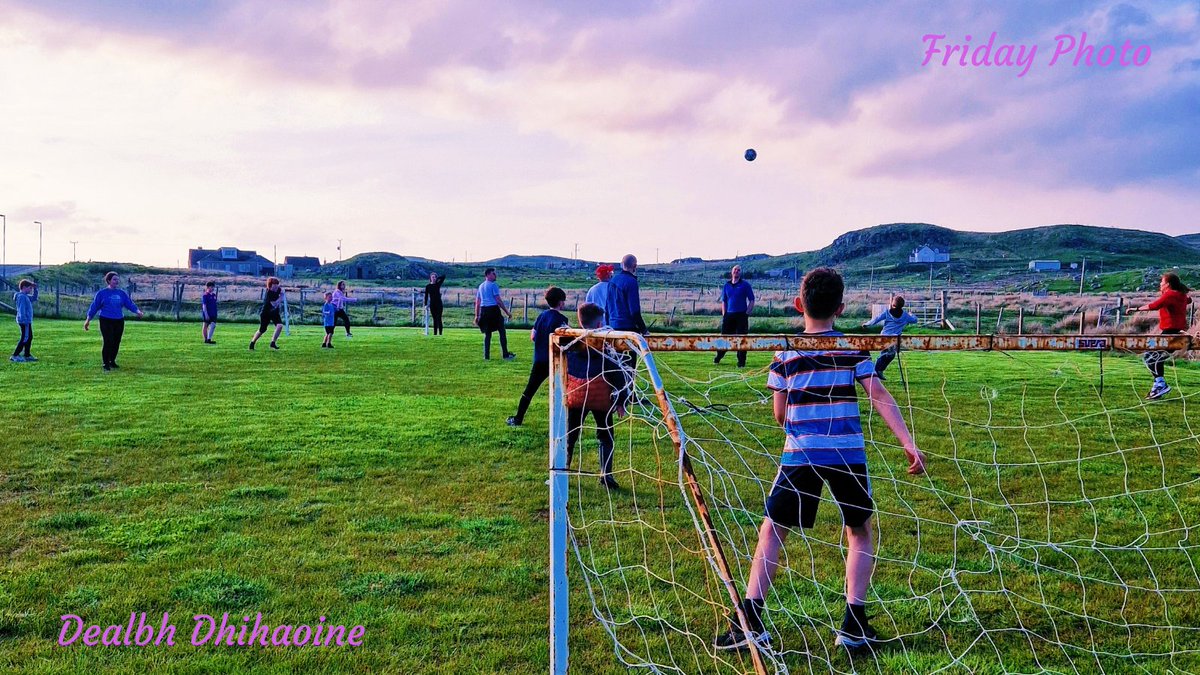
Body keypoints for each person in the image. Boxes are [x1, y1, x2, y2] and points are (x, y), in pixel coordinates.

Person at [714, 267, 926, 653]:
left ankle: (751, 620)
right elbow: (878, 394)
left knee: (773, 530)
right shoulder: (852, 348)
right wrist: (908, 441)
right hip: (847, 453)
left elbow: (780, 413)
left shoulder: (786, 349)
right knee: (858, 530)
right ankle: (852, 624)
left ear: (799, 304)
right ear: (841, 308)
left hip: (802, 451)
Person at [565, 302, 631, 489]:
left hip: (576, 396)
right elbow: (617, 374)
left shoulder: (572, 342)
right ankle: (606, 474)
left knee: (570, 434)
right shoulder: (604, 345)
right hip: (600, 396)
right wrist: (620, 400)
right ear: (599, 323)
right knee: (606, 435)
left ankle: (564, 468)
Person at [507, 287, 569, 427]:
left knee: (530, 390)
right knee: (562, 390)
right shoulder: (562, 319)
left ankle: (518, 418)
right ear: (560, 303)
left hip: (540, 359)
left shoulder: (541, 316)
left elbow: (533, 336)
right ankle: (564, 421)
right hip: (555, 361)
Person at [1127, 272, 1192, 400]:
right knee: (1155, 356)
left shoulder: (1170, 294)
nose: (1160, 285)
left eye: (1161, 283)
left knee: (1150, 356)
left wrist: (1136, 310)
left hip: (1171, 332)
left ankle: (1160, 384)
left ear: (1167, 284)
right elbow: (1188, 300)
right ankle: (1159, 384)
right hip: (1176, 332)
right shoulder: (1180, 295)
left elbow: (1154, 305)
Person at [84, 271, 144, 371]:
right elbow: (94, 307)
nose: (117, 281)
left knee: (116, 341)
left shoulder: (121, 293)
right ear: (108, 281)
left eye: (117, 279)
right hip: (106, 320)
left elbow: (129, 304)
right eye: (114, 279)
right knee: (108, 341)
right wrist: (88, 320)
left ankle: (112, 361)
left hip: (119, 320)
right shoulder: (102, 294)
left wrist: (137, 311)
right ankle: (105, 363)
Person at [862, 295, 919, 379]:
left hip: (884, 336)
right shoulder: (905, 315)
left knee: (887, 354)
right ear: (902, 305)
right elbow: (915, 320)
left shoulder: (887, 312)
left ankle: (878, 371)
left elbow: (876, 319)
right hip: (894, 338)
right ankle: (877, 370)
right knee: (889, 355)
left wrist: (867, 324)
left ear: (893, 304)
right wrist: (912, 314)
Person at [714, 265, 755, 368]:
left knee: (742, 339)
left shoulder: (745, 285)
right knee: (725, 338)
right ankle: (718, 357)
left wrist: (747, 313)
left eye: (738, 270)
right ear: (731, 272)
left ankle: (741, 362)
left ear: (740, 273)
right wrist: (724, 313)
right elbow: (724, 301)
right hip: (729, 315)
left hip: (741, 315)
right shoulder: (726, 285)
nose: (736, 271)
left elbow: (752, 300)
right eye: (735, 270)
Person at [474, 268, 515, 360]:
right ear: (488, 275)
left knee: (487, 334)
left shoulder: (481, 286)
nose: (495, 275)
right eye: (493, 274)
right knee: (502, 332)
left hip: (484, 310)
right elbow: (498, 301)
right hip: (493, 310)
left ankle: (486, 356)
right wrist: (507, 312)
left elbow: (477, 302)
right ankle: (505, 354)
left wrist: (477, 315)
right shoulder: (493, 285)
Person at [609, 254, 647, 336]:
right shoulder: (631, 282)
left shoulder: (612, 280)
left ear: (622, 264)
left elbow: (607, 306)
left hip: (612, 325)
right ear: (635, 265)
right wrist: (643, 329)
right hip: (627, 327)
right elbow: (634, 310)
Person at [249, 277, 286, 351]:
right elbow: (275, 304)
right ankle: (252, 343)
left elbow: (282, 291)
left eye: (277, 285)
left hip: (274, 312)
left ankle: (273, 343)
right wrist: (281, 296)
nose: (276, 287)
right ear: (270, 285)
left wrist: (282, 293)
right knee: (262, 330)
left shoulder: (278, 289)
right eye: (274, 285)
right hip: (266, 313)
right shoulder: (269, 293)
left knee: (280, 326)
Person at [11, 279, 38, 363]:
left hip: (26, 321)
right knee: (25, 338)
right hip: (24, 321)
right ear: (24, 287)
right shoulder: (22, 297)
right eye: (29, 288)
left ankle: (27, 355)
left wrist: (35, 289)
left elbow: (34, 298)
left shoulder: (25, 296)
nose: (30, 290)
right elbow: (21, 310)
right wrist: (24, 320)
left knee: (29, 337)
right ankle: (15, 355)